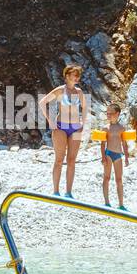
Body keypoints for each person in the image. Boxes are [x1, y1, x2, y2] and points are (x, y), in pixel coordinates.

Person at [40, 64, 87, 197]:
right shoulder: (61, 90)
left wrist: (83, 121)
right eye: (74, 74)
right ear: (67, 76)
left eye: (78, 75)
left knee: (72, 160)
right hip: (60, 127)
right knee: (59, 160)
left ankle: (69, 192)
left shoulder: (79, 92)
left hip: (76, 129)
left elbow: (84, 108)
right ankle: (55, 191)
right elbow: (42, 102)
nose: (77, 77)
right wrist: (50, 120)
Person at [100, 104, 130, 210]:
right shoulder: (105, 128)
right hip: (108, 154)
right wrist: (103, 157)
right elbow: (103, 144)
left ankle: (121, 204)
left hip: (118, 155)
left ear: (117, 114)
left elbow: (124, 143)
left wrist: (126, 157)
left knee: (119, 179)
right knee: (106, 177)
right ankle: (107, 202)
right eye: (107, 113)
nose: (108, 115)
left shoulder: (122, 128)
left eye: (110, 113)